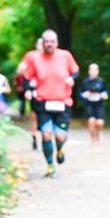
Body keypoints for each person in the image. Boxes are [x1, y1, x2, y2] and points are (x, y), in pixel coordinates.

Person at [23, 30, 80, 178]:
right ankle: (50, 165)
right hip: (44, 102)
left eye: (52, 41)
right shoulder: (35, 59)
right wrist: (28, 90)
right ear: (42, 43)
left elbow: (76, 71)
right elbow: (26, 76)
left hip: (63, 102)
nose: (49, 44)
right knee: (47, 135)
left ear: (57, 42)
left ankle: (60, 149)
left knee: (60, 136)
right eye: (46, 41)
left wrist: (72, 78)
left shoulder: (65, 56)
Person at [20, 38, 43, 150]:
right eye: (39, 43)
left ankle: (45, 137)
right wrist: (27, 89)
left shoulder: (51, 57)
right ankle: (34, 136)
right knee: (34, 115)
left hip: (47, 90)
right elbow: (23, 72)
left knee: (44, 115)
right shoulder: (30, 56)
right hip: (33, 89)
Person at [79, 63, 109, 145]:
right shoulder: (85, 81)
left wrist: (104, 95)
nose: (93, 71)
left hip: (99, 104)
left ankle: (98, 134)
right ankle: (92, 138)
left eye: (95, 70)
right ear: (89, 71)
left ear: (98, 71)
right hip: (89, 104)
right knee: (91, 121)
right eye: (91, 70)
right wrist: (83, 95)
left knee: (100, 122)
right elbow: (80, 93)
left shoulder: (101, 81)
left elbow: (105, 91)